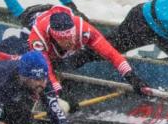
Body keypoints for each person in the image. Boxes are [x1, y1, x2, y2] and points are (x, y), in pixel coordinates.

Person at [8, 5, 150, 98]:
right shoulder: (38, 38)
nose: (70, 43)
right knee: (34, 68)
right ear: (54, 38)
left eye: (72, 39)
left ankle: (66, 70)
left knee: (86, 53)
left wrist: (132, 77)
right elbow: (46, 70)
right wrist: (59, 93)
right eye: (65, 41)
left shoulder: (85, 29)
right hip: (31, 21)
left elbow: (112, 54)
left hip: (56, 15)